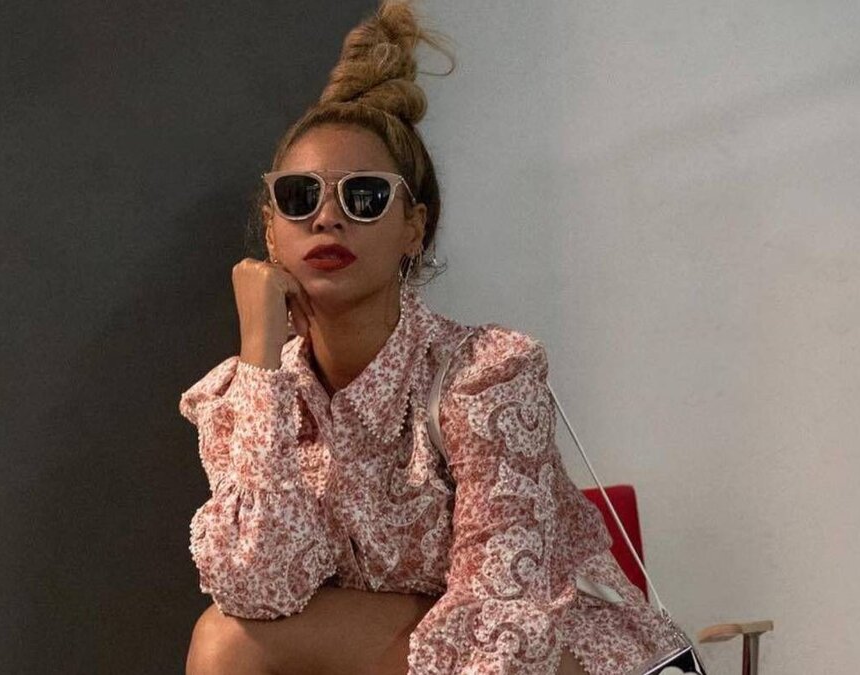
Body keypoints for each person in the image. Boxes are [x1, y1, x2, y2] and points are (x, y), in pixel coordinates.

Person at [181, 2, 685, 673]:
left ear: (413, 228)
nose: (328, 217)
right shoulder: (244, 398)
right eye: (300, 196)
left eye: (364, 197)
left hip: (552, 653)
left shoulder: (486, 375)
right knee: (226, 638)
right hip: (427, 653)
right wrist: (261, 361)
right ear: (272, 230)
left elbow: (500, 626)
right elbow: (258, 586)